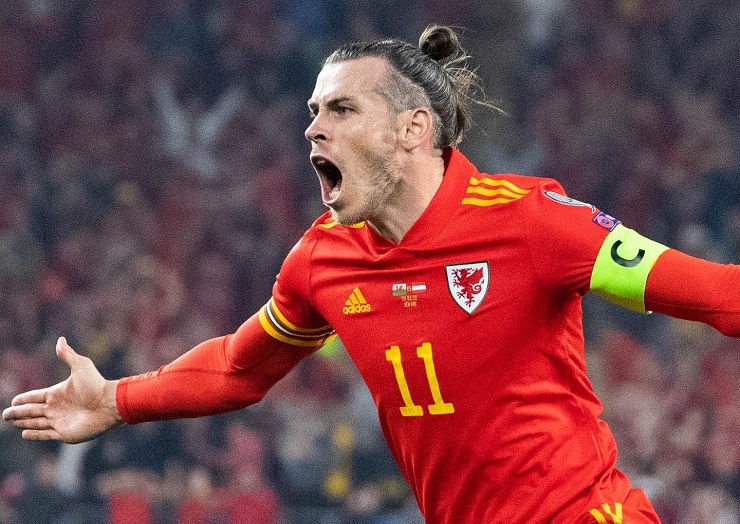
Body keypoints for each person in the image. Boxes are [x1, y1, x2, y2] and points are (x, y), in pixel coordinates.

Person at [3, 24, 740, 524]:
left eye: (342, 109)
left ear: (413, 129)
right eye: (313, 111)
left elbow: (716, 295)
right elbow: (237, 369)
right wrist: (117, 399)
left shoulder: (533, 220)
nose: (313, 127)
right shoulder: (322, 259)